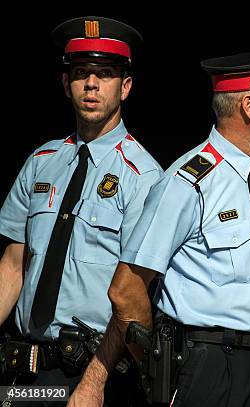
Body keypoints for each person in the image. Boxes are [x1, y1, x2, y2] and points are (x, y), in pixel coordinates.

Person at [69, 44, 250, 407]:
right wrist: (157, 365)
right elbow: (126, 289)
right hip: (210, 368)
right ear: (249, 107)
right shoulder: (187, 182)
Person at [0, 16, 162, 405]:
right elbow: (12, 265)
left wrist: (94, 382)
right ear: (65, 83)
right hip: (26, 367)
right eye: (81, 73)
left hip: (95, 370)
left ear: (125, 87)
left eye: (104, 74)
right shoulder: (42, 162)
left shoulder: (144, 176)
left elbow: (135, 293)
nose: (91, 84)